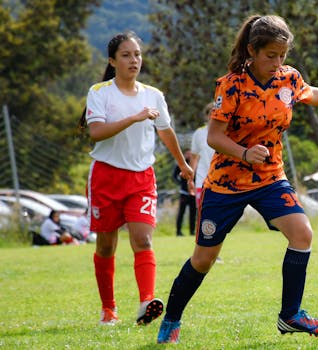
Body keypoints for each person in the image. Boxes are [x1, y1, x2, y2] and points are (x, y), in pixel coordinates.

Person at [157, 15, 318, 344]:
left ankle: (290, 316)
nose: (277, 63)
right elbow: (214, 136)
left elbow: (309, 92)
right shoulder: (230, 85)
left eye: (282, 56)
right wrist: (243, 153)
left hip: (270, 178)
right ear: (253, 51)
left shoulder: (288, 79)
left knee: (302, 233)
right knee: (203, 259)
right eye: (271, 55)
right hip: (226, 184)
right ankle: (171, 319)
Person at [80, 31, 194, 326]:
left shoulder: (154, 95)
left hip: (142, 177)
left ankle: (146, 303)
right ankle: (109, 309)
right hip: (105, 175)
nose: (134, 60)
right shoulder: (100, 92)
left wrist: (183, 164)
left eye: (137, 55)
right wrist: (134, 117)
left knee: (143, 240)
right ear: (112, 61)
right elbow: (96, 132)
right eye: (126, 55)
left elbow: (165, 131)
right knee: (106, 246)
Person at [189, 102, 223, 263]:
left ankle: (214, 252)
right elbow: (194, 158)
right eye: (211, 113)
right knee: (204, 217)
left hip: (222, 181)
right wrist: (190, 177)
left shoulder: (226, 131)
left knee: (220, 218)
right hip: (202, 181)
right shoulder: (199, 134)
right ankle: (201, 252)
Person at [173, 149, 196, 236]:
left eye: (190, 153)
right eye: (187, 153)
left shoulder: (194, 164)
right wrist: (181, 183)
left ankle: (192, 231)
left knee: (193, 213)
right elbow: (174, 176)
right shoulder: (181, 164)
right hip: (184, 192)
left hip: (193, 193)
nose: (189, 155)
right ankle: (178, 231)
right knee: (181, 212)